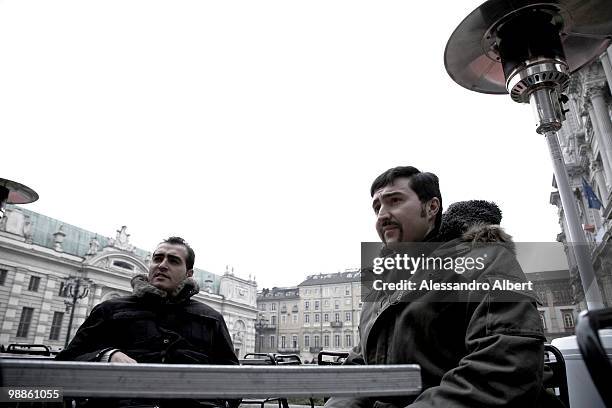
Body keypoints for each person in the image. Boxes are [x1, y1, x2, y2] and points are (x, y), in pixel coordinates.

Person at [324, 166, 553, 408]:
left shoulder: (483, 261)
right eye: (377, 207)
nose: (382, 215)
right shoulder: (381, 287)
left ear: (431, 207)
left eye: (395, 201)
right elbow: (361, 364)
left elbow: (504, 367)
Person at [57, 236, 239, 408]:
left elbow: (234, 380)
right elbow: (65, 362)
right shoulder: (110, 309)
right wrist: (106, 355)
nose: (162, 265)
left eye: (173, 261)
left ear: (188, 274)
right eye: (157, 259)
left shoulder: (211, 318)